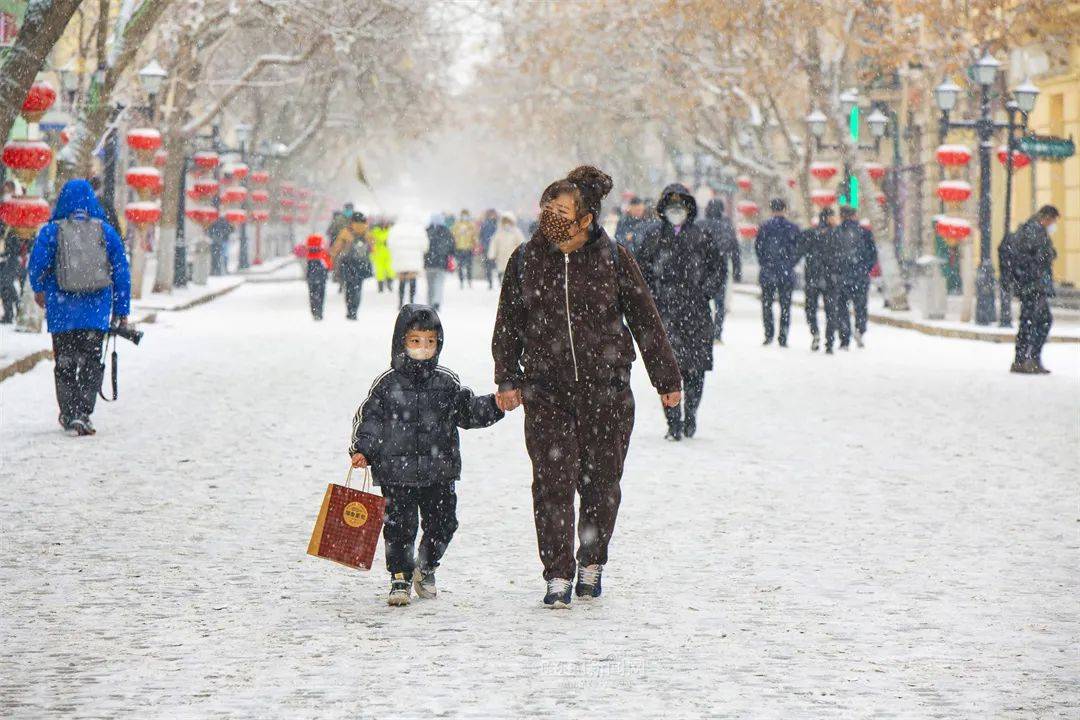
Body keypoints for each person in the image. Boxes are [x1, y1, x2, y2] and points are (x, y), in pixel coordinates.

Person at [491, 165, 682, 608]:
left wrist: (666, 379)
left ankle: (591, 562)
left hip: (607, 390)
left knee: (601, 482)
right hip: (547, 390)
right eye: (547, 208)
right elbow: (508, 324)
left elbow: (645, 320)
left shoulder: (613, 259)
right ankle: (557, 573)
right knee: (552, 482)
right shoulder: (526, 258)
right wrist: (507, 376)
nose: (550, 217)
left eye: (561, 210)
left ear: (586, 219)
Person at [349, 304, 504, 605]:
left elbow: (467, 411)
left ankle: (427, 565)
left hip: (439, 471)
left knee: (444, 522)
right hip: (396, 472)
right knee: (399, 528)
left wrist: (495, 405)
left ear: (439, 344)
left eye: (430, 342)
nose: (423, 348)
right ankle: (400, 577)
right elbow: (370, 419)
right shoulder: (387, 384)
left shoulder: (446, 383)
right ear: (401, 342)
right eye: (415, 341)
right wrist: (362, 449)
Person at [27, 179, 131, 436]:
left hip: (62, 311)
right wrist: (121, 309)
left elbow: (36, 265)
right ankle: (84, 412)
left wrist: (39, 290)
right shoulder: (105, 231)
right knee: (91, 362)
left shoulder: (52, 231)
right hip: (95, 311)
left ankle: (68, 412)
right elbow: (121, 271)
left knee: (64, 362)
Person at [635, 184, 722, 441]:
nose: (676, 212)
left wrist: (705, 290)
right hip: (664, 313)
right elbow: (641, 272)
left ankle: (691, 413)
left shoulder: (702, 237)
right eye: (671, 207)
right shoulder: (653, 238)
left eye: (680, 207)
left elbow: (717, 269)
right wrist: (650, 297)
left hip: (695, 311)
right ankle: (673, 421)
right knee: (667, 367)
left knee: (695, 368)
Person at [1010, 205, 1060, 374]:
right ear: (1046, 218)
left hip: (1032, 286)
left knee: (1032, 321)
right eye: (1053, 220)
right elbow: (1035, 258)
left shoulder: (1033, 230)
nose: (1053, 224)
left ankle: (1025, 359)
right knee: (1036, 321)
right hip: (1033, 287)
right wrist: (1048, 255)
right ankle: (1027, 359)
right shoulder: (1034, 231)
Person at [754, 198, 801, 347]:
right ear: (784, 209)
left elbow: (758, 248)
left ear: (771, 209)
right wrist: (790, 264)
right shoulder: (792, 228)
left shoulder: (764, 227)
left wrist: (765, 263)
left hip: (768, 271)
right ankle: (783, 336)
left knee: (767, 304)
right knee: (785, 306)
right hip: (786, 272)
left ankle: (769, 334)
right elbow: (798, 249)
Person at [698, 199, 742, 343]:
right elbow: (735, 250)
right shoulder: (726, 226)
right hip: (720, 267)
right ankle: (717, 333)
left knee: (701, 301)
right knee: (720, 303)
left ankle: (704, 331)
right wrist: (737, 270)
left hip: (701, 268)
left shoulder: (700, 225)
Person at [835, 206, 877, 348]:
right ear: (854, 215)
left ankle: (844, 336)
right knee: (860, 306)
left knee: (842, 307)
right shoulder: (865, 232)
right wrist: (865, 269)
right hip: (860, 276)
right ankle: (860, 329)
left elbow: (831, 255)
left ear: (841, 216)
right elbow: (873, 254)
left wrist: (836, 271)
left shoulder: (836, 232)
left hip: (841, 277)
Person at [798, 208, 836, 351]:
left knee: (810, 309)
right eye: (833, 217)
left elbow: (799, 252)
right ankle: (829, 342)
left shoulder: (810, 234)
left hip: (812, 278)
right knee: (831, 311)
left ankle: (815, 332)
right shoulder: (835, 235)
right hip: (830, 278)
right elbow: (841, 258)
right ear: (827, 218)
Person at [330, 212, 372, 320]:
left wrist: (333, 257)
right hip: (362, 265)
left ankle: (350, 310)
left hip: (348, 263)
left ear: (352, 221)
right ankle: (355, 310)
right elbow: (373, 248)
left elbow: (337, 248)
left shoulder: (346, 232)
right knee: (358, 288)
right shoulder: (367, 232)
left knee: (349, 288)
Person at [388, 210, 427, 308]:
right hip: (415, 260)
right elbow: (425, 246)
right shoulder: (419, 229)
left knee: (402, 280)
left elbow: (390, 244)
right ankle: (412, 300)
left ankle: (400, 302)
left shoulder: (395, 229)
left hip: (400, 259)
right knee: (413, 280)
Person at [424, 213, 454, 311]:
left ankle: (429, 302)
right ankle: (436, 302)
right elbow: (452, 246)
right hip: (441, 262)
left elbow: (424, 247)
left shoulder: (427, 231)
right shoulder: (446, 231)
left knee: (430, 284)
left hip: (429, 263)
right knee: (439, 283)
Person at [487, 211, 525, 285]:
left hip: (513, 256)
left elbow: (522, 243)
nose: (507, 224)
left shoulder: (516, 232)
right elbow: (494, 244)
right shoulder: (499, 232)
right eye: (505, 222)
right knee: (502, 271)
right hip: (501, 257)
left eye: (508, 222)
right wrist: (492, 254)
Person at [304, 234, 332, 320]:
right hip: (321, 276)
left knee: (312, 294)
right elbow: (329, 265)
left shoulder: (308, 255)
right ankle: (319, 311)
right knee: (321, 294)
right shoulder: (323, 254)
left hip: (311, 277)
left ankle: (314, 311)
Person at [0, 219, 21, 323]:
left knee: (6, 284)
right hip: (3, 262)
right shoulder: (5, 230)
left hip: (10, 262)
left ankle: (17, 306)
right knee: (4, 288)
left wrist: (5, 255)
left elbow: (15, 249)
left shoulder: (12, 231)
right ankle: (9, 313)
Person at [451, 210, 477, 288]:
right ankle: (461, 281)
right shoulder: (457, 225)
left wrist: (474, 244)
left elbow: (474, 236)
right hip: (459, 248)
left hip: (469, 248)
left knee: (469, 266)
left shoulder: (471, 225)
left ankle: (469, 280)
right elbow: (453, 234)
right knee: (460, 266)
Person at [369, 219, 394, 293]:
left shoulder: (376, 232)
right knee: (381, 272)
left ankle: (387, 285)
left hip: (386, 254)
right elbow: (373, 243)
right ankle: (382, 286)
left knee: (389, 271)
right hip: (380, 255)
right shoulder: (389, 232)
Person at [479, 209, 498, 289]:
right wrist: (483, 244)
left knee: (496, 265)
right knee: (488, 265)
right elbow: (481, 235)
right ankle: (490, 281)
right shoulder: (485, 224)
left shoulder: (498, 224)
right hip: (487, 247)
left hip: (495, 248)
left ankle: (499, 280)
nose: (492, 216)